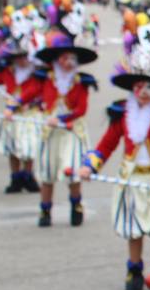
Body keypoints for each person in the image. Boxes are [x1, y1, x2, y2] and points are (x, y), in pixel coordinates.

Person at [79, 37, 150, 290]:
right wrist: (91, 165)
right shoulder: (123, 114)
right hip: (130, 177)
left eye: (149, 87)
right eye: (139, 87)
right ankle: (134, 268)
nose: (143, 93)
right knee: (134, 228)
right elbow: (107, 143)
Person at [22, 24, 98, 228]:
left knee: (72, 170)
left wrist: (64, 120)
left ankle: (76, 206)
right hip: (50, 130)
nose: (69, 62)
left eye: (72, 59)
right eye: (65, 58)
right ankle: (45, 210)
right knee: (47, 172)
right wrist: (14, 105)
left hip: (72, 129)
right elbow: (29, 93)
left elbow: (82, 109)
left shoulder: (81, 82)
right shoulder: (45, 79)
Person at [0, 40, 43, 194]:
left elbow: (34, 91)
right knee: (12, 147)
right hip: (12, 116)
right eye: (18, 58)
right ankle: (15, 177)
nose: (21, 61)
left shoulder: (35, 74)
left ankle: (28, 176)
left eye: (23, 57)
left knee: (29, 146)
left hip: (28, 114)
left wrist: (16, 104)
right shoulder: (8, 72)